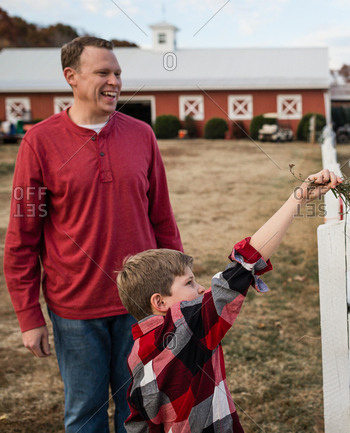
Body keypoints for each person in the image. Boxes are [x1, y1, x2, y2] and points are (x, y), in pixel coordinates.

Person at [3, 36, 183, 432]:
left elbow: (163, 220)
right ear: (71, 76)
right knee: (84, 413)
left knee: (138, 411)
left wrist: (179, 288)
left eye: (118, 73)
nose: (115, 81)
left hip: (140, 304)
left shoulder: (142, 135)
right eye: (103, 72)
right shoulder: (39, 142)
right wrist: (29, 315)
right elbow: (22, 236)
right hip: (75, 310)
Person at [116, 169, 341, 432]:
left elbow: (138, 424)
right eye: (189, 283)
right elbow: (245, 265)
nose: (201, 289)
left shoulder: (138, 350)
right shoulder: (189, 325)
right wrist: (298, 199)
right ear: (160, 302)